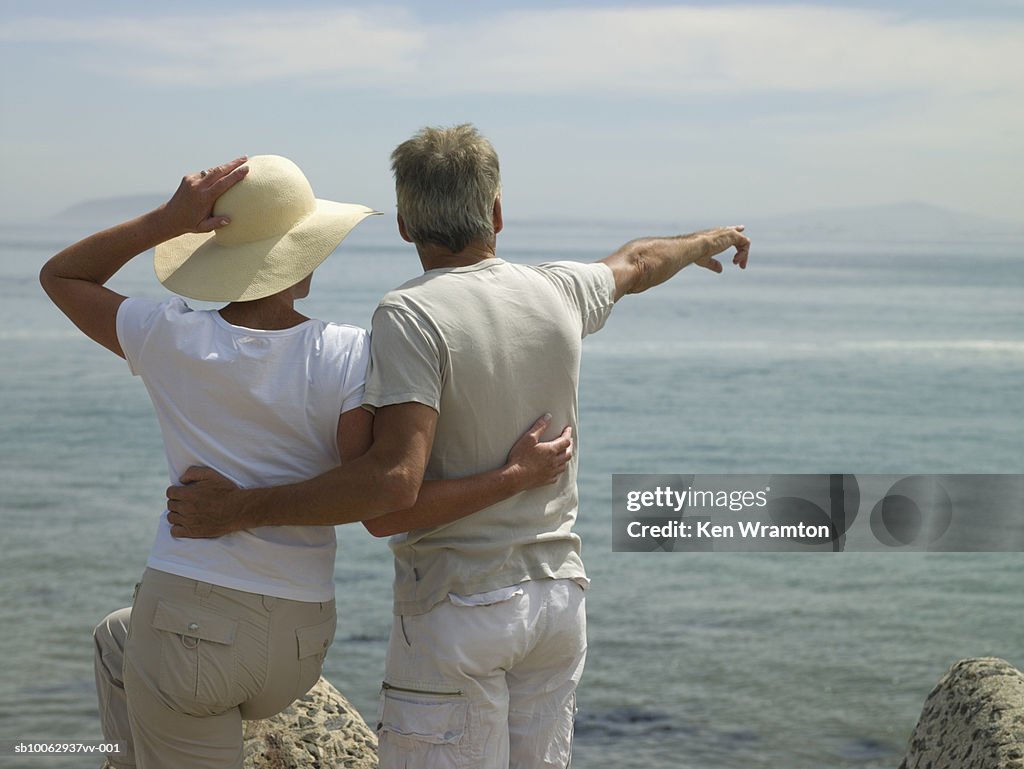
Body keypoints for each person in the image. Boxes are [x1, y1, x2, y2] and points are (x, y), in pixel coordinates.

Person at [166, 124, 751, 769]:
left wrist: (242, 509)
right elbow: (638, 263)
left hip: (461, 607)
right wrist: (706, 241)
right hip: (557, 602)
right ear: (497, 211)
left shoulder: (410, 315)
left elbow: (389, 500)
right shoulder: (557, 291)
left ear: (405, 225)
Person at [39, 154, 573, 769]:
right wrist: (514, 474)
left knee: (142, 654)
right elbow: (378, 485)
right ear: (305, 251)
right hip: (298, 640)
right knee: (119, 636)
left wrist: (166, 220)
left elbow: (63, 276)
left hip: (191, 621)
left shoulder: (167, 334)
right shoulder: (347, 352)